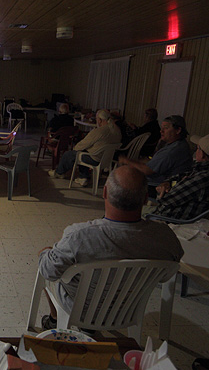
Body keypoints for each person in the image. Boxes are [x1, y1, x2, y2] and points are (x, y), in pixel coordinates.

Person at [37, 166, 184, 330]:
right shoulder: (165, 236)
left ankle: (54, 319)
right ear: (145, 198)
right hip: (128, 309)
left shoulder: (79, 236)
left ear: (105, 192)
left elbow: (49, 271)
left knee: (47, 257)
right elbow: (169, 271)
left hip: (81, 310)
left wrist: (45, 252)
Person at [149, 133, 209, 220]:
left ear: (202, 154)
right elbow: (181, 175)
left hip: (168, 220)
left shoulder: (201, 179)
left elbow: (165, 200)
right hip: (181, 215)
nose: (195, 151)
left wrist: (162, 189)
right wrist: (167, 182)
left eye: (198, 148)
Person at [119, 115, 193, 198]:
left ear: (178, 130)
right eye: (161, 128)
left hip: (158, 187)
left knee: (122, 178)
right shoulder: (179, 144)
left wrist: (126, 161)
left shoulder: (172, 151)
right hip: (163, 182)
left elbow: (148, 170)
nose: (161, 131)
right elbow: (155, 163)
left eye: (166, 128)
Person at [48, 109, 122, 187]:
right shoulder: (116, 130)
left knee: (70, 154)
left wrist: (75, 148)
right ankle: (83, 177)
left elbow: (82, 144)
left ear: (100, 120)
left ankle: (59, 173)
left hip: (95, 159)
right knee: (84, 152)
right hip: (108, 159)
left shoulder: (99, 131)